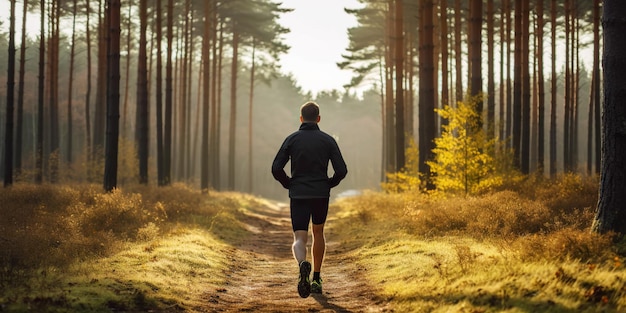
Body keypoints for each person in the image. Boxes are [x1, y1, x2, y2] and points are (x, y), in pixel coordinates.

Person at [271, 101, 348, 298]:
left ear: (301, 118)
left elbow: (276, 168)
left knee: (299, 237)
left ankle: (302, 264)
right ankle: (317, 278)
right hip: (320, 193)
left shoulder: (292, 139)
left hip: (298, 193)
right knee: (318, 232)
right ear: (319, 119)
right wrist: (329, 183)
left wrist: (289, 183)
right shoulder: (328, 140)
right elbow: (342, 170)